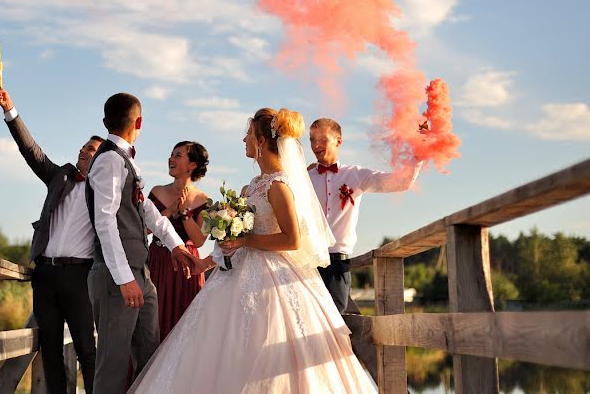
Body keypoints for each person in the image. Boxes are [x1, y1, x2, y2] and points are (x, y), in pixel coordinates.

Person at [127, 108, 376, 394]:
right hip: (236, 274)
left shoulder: (279, 186)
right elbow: (235, 241)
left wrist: (246, 242)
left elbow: (291, 239)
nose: (243, 139)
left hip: (273, 278)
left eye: (247, 134)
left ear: (259, 141)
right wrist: (204, 263)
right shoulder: (250, 187)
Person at [85, 92, 202, 394]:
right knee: (113, 366)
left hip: (141, 273)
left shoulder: (125, 160)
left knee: (151, 358)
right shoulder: (110, 160)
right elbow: (105, 222)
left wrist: (176, 246)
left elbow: (145, 209)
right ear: (139, 122)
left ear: (105, 121)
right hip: (117, 278)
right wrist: (124, 279)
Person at [0, 85, 99, 394]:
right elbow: (31, 150)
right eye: (83, 147)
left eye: (91, 150)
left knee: (86, 352)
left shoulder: (106, 193)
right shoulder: (60, 176)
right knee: (49, 350)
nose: (83, 151)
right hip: (45, 275)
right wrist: (9, 110)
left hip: (80, 276)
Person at [307, 117, 424, 313]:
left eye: (322, 139)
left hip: (338, 264)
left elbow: (401, 182)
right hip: (306, 263)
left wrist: (418, 154)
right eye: (311, 139)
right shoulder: (304, 178)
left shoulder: (356, 175)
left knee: (336, 322)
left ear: (338, 141)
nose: (316, 145)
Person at [147, 141, 210, 340]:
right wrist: (169, 211)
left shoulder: (204, 201)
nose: (171, 159)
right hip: (157, 260)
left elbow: (199, 240)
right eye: (171, 154)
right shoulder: (157, 192)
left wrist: (183, 213)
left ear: (192, 165)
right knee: (153, 319)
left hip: (187, 265)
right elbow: (145, 229)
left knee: (184, 322)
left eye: (178, 155)